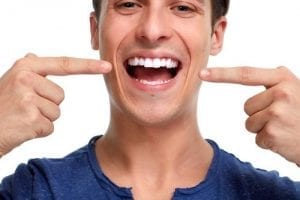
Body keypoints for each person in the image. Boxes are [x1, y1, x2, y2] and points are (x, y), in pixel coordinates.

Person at [0, 0, 300, 199]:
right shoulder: (34, 189)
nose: (152, 31)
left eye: (182, 7)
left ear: (215, 36)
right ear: (95, 30)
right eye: (128, 4)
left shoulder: (271, 194)